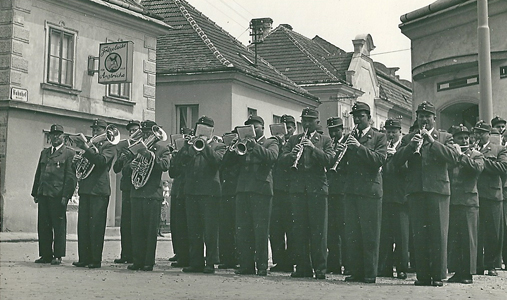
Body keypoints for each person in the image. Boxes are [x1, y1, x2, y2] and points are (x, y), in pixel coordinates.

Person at [392, 101, 459, 287]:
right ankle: (422, 276)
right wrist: (410, 147)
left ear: (434, 119)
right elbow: (396, 161)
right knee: (419, 235)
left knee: (438, 234)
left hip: (438, 191)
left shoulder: (444, 137)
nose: (424, 120)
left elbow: (454, 158)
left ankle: (438, 276)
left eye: (427, 116)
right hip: (416, 191)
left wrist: (432, 141)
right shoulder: (408, 138)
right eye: (421, 116)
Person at [337, 102, 386, 284]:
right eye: (355, 116)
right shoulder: (349, 137)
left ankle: (370, 273)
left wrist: (358, 147)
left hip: (370, 191)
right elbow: (341, 167)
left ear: (369, 118)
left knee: (370, 234)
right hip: (351, 190)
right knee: (353, 233)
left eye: (361, 116)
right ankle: (356, 271)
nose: (357, 120)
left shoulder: (379, 137)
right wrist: (339, 155)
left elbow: (379, 160)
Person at [282, 108, 333, 280]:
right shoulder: (294, 139)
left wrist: (313, 149)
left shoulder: (324, 140)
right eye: (304, 120)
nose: (306, 124)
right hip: (298, 190)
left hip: (317, 190)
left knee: (319, 231)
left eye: (310, 121)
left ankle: (320, 269)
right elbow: (281, 160)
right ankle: (303, 267)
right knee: (299, 230)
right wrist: (292, 155)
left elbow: (330, 160)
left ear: (317, 122)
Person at [224, 115, 279, 276]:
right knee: (243, 230)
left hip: (261, 190)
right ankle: (246, 265)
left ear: (262, 128)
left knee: (260, 230)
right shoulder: (243, 144)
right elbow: (226, 163)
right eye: (249, 127)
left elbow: (272, 157)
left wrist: (254, 146)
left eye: (256, 127)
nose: (253, 130)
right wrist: (232, 149)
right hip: (243, 190)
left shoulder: (271, 142)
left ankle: (261, 265)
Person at [177, 116, 226, 274]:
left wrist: (204, 146)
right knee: (194, 230)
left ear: (211, 131)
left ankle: (210, 263)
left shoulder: (219, 146)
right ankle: (196, 262)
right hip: (191, 192)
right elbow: (179, 163)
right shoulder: (191, 146)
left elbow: (217, 162)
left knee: (210, 231)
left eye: (205, 128)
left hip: (210, 193)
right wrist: (186, 147)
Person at [72, 119, 116, 269]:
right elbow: (81, 167)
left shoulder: (109, 145)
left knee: (96, 227)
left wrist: (86, 148)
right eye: (94, 130)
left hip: (99, 190)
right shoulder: (91, 145)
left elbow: (101, 161)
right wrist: (77, 160)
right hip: (86, 189)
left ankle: (95, 260)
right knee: (83, 226)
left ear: (105, 131)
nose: (95, 132)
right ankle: (84, 258)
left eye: (98, 130)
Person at [127, 120, 170, 271]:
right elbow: (125, 167)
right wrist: (131, 165)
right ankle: (137, 260)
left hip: (152, 195)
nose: (145, 136)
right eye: (143, 133)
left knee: (150, 231)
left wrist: (150, 156)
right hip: (137, 193)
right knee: (136, 229)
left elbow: (165, 166)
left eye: (148, 133)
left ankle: (148, 262)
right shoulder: (135, 148)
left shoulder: (162, 149)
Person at [31, 124, 77, 265]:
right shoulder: (44, 153)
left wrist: (65, 196)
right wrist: (35, 192)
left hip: (58, 195)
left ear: (63, 136)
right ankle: (45, 255)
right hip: (44, 193)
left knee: (59, 225)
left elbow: (70, 177)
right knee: (43, 226)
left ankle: (58, 255)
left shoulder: (69, 153)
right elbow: (39, 174)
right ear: (50, 137)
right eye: (53, 135)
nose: (55, 137)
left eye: (58, 134)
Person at [447, 124, 484, 284]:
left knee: (468, 238)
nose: (464, 140)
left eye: (466, 137)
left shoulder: (476, 154)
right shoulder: (450, 155)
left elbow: (477, 168)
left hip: (469, 202)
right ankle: (457, 271)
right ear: (454, 139)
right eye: (460, 137)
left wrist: (461, 155)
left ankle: (468, 273)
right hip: (453, 201)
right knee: (455, 238)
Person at [473, 120, 507, 276]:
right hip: (475, 195)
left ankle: (492, 265)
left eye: (481, 132)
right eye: (476, 132)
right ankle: (478, 265)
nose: (478, 135)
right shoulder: (471, 150)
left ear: (488, 134)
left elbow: (503, 168)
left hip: (493, 196)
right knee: (477, 232)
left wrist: (481, 161)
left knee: (493, 232)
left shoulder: (499, 149)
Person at [378, 118, 409, 280]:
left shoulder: (404, 148)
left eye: (393, 132)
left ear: (400, 133)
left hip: (401, 198)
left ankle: (402, 268)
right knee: (385, 236)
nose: (390, 135)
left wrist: (396, 156)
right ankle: (385, 268)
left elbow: (408, 170)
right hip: (384, 197)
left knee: (402, 237)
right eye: (388, 132)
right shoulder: (381, 147)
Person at [269, 114, 296, 273]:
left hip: (292, 189)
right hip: (277, 189)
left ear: (293, 129)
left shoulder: (296, 142)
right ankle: (280, 260)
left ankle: (291, 260)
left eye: (289, 128)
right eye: (283, 128)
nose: (286, 131)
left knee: (291, 228)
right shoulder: (274, 143)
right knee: (276, 228)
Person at [112, 120, 141, 264]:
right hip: (127, 187)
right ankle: (125, 254)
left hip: (139, 188)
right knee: (126, 223)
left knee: (136, 223)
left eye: (135, 130)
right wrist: (122, 159)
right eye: (130, 131)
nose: (132, 133)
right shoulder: (123, 146)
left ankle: (136, 255)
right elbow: (116, 168)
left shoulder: (144, 146)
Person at [167, 128, 192, 267]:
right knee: (177, 226)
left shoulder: (190, 152)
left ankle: (187, 256)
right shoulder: (179, 154)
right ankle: (180, 254)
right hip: (177, 191)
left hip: (187, 191)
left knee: (187, 226)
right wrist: (174, 158)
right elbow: (172, 173)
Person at [326, 116, 347, 275]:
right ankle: (333, 263)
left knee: (344, 230)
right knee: (331, 230)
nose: (334, 133)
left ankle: (347, 263)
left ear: (342, 130)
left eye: (337, 130)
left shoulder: (347, 143)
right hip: (329, 190)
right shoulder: (328, 144)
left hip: (343, 191)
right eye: (331, 131)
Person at [218, 130, 240, 269]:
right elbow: (224, 164)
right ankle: (227, 258)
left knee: (238, 227)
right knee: (226, 227)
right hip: (226, 191)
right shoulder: (231, 149)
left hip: (238, 190)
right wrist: (231, 149)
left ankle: (238, 257)